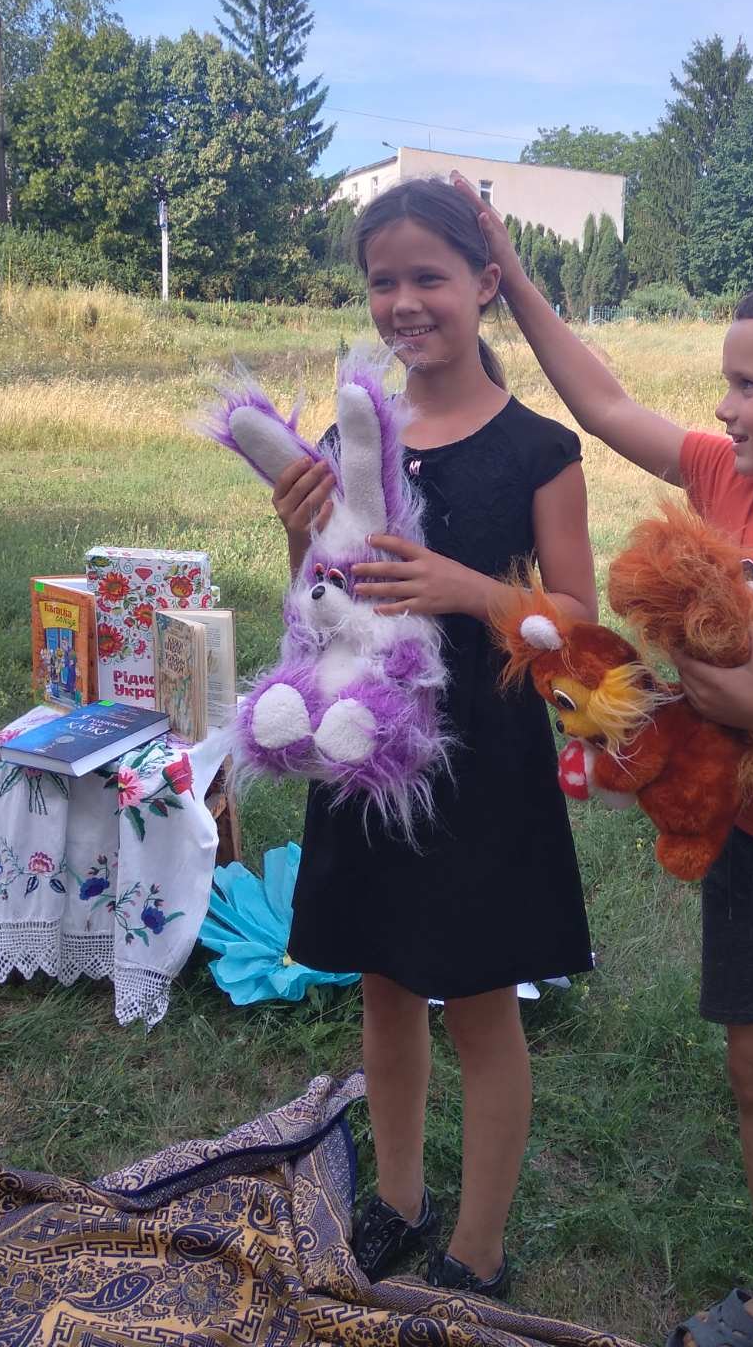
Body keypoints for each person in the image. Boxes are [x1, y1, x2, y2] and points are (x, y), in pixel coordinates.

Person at [451, 173, 753, 1347]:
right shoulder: (728, 480)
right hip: (745, 853)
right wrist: (511, 278)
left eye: (746, 384)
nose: (722, 407)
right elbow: (603, 401)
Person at [270, 177, 597, 1300]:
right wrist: (299, 536)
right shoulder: (352, 433)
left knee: (482, 1007)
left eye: (429, 278)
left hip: (483, 769)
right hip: (370, 758)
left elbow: (579, 627)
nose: (404, 302)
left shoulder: (539, 450)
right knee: (386, 983)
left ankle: (479, 1246)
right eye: (383, 281)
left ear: (485, 283)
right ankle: (400, 1199)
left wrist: (469, 588)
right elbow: (319, 604)